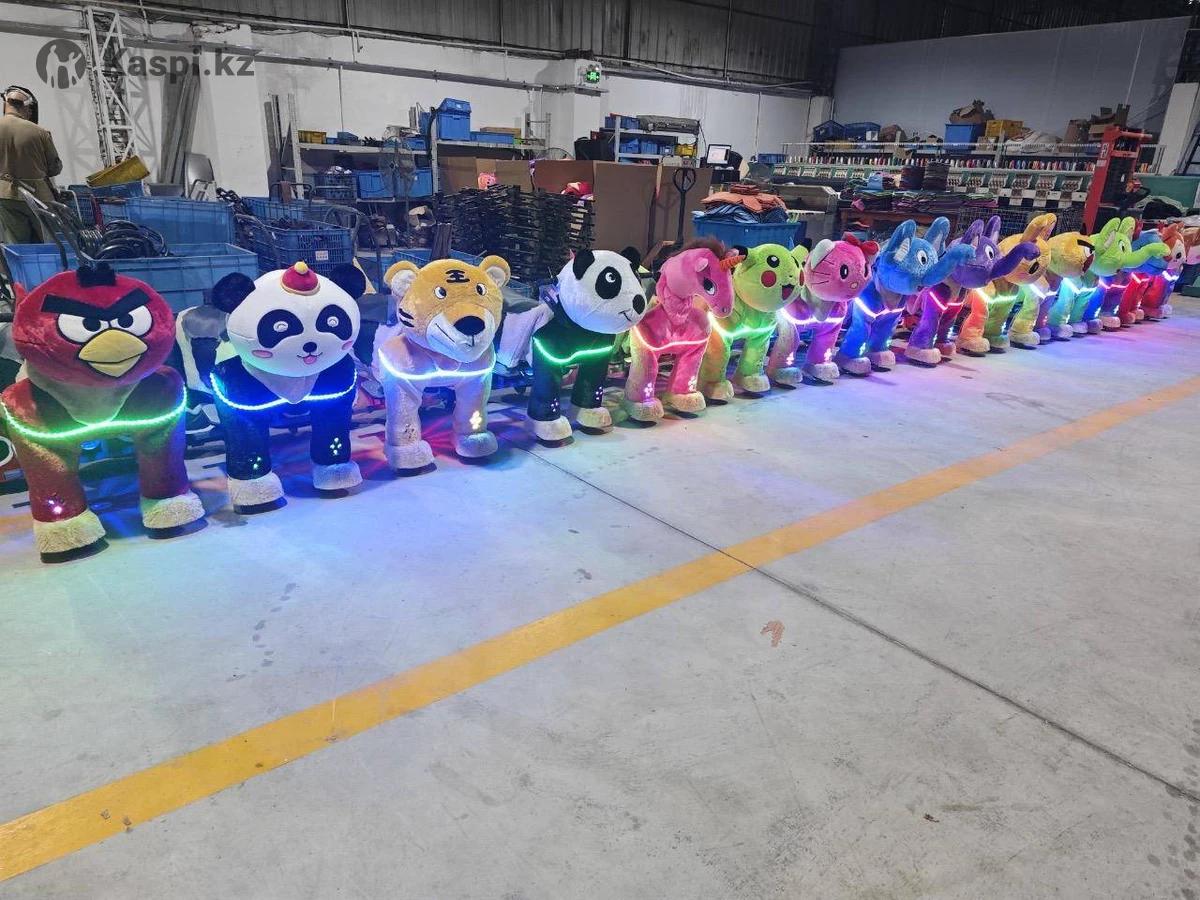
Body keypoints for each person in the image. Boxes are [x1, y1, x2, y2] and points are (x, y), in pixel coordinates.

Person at [0, 85, 62, 244]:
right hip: (38, 196)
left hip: (5, 196)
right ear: (25, 108)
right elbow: (54, 168)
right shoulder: (39, 132)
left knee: (16, 246)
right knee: (48, 244)